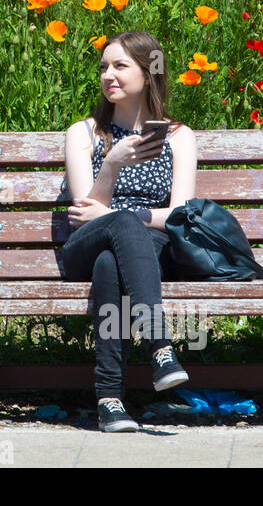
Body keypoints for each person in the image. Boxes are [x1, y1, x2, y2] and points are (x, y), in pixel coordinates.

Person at [59, 30, 198, 432]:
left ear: (149, 72)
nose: (108, 75)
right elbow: (87, 209)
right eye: (104, 67)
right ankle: (159, 346)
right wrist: (112, 165)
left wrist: (125, 215)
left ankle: (110, 401)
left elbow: (178, 215)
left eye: (120, 66)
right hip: (81, 249)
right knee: (113, 230)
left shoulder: (178, 137)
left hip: (146, 255)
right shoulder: (84, 134)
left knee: (111, 261)